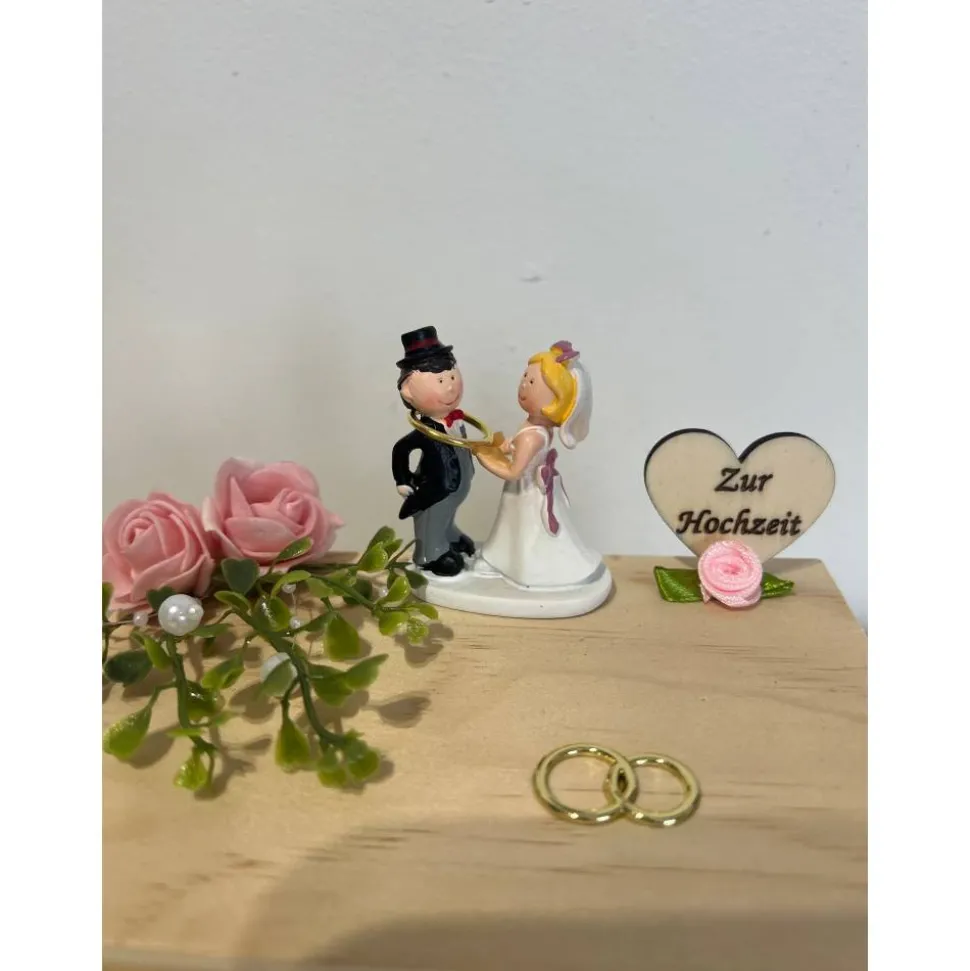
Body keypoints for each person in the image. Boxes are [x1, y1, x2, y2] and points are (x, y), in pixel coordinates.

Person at [474, 340, 602, 588]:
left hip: (524, 490)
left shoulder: (532, 437)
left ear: (555, 400)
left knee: (522, 529)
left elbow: (513, 471)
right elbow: (517, 449)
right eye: (524, 377)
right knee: (513, 528)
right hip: (528, 487)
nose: (523, 385)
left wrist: (485, 457)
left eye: (532, 382)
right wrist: (504, 446)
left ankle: (522, 569)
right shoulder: (535, 426)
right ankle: (505, 560)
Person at [391, 328, 475, 576]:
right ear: (408, 392)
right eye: (440, 381)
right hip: (437, 489)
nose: (450, 387)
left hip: (456, 487)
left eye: (452, 377)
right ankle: (430, 554)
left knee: (446, 515)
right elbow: (401, 449)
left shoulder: (456, 421)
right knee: (432, 517)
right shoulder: (426, 431)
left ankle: (448, 535)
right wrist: (403, 480)